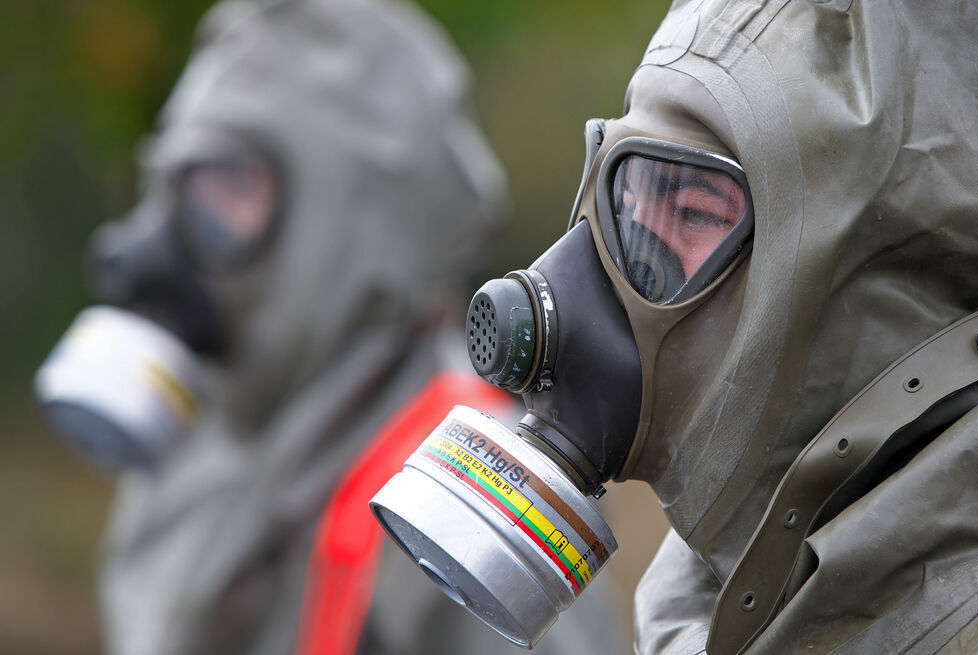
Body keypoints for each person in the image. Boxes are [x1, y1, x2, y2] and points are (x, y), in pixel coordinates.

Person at [37, 0, 628, 653]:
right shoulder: (194, 440)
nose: (164, 242)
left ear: (352, 219)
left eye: (230, 188)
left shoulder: (466, 506)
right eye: (176, 188)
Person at [424, 0, 978, 653]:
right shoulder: (696, 607)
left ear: (851, 284)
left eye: (692, 212)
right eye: (625, 200)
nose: (570, 276)